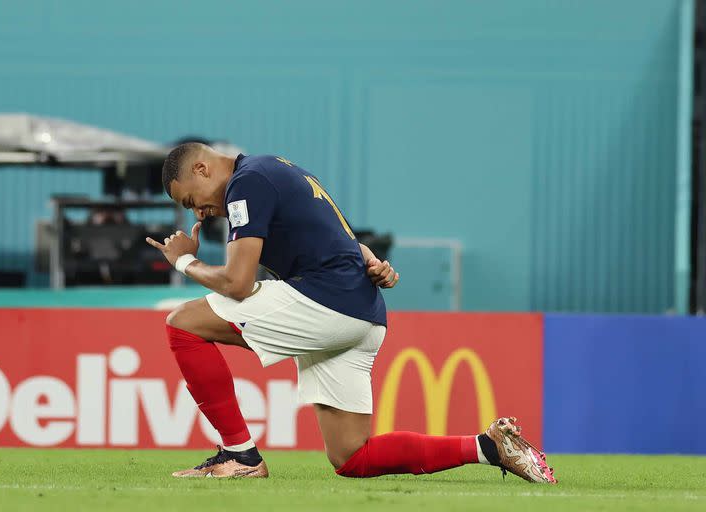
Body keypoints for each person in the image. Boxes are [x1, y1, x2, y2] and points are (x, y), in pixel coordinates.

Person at [145, 143, 556, 483]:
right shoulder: (276, 169)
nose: (199, 213)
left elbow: (238, 283)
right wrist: (372, 259)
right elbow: (337, 236)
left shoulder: (246, 183)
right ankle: (488, 447)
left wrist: (183, 262)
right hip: (362, 314)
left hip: (327, 303)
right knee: (352, 458)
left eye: (190, 201)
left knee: (184, 325)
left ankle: (240, 456)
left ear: (201, 167)